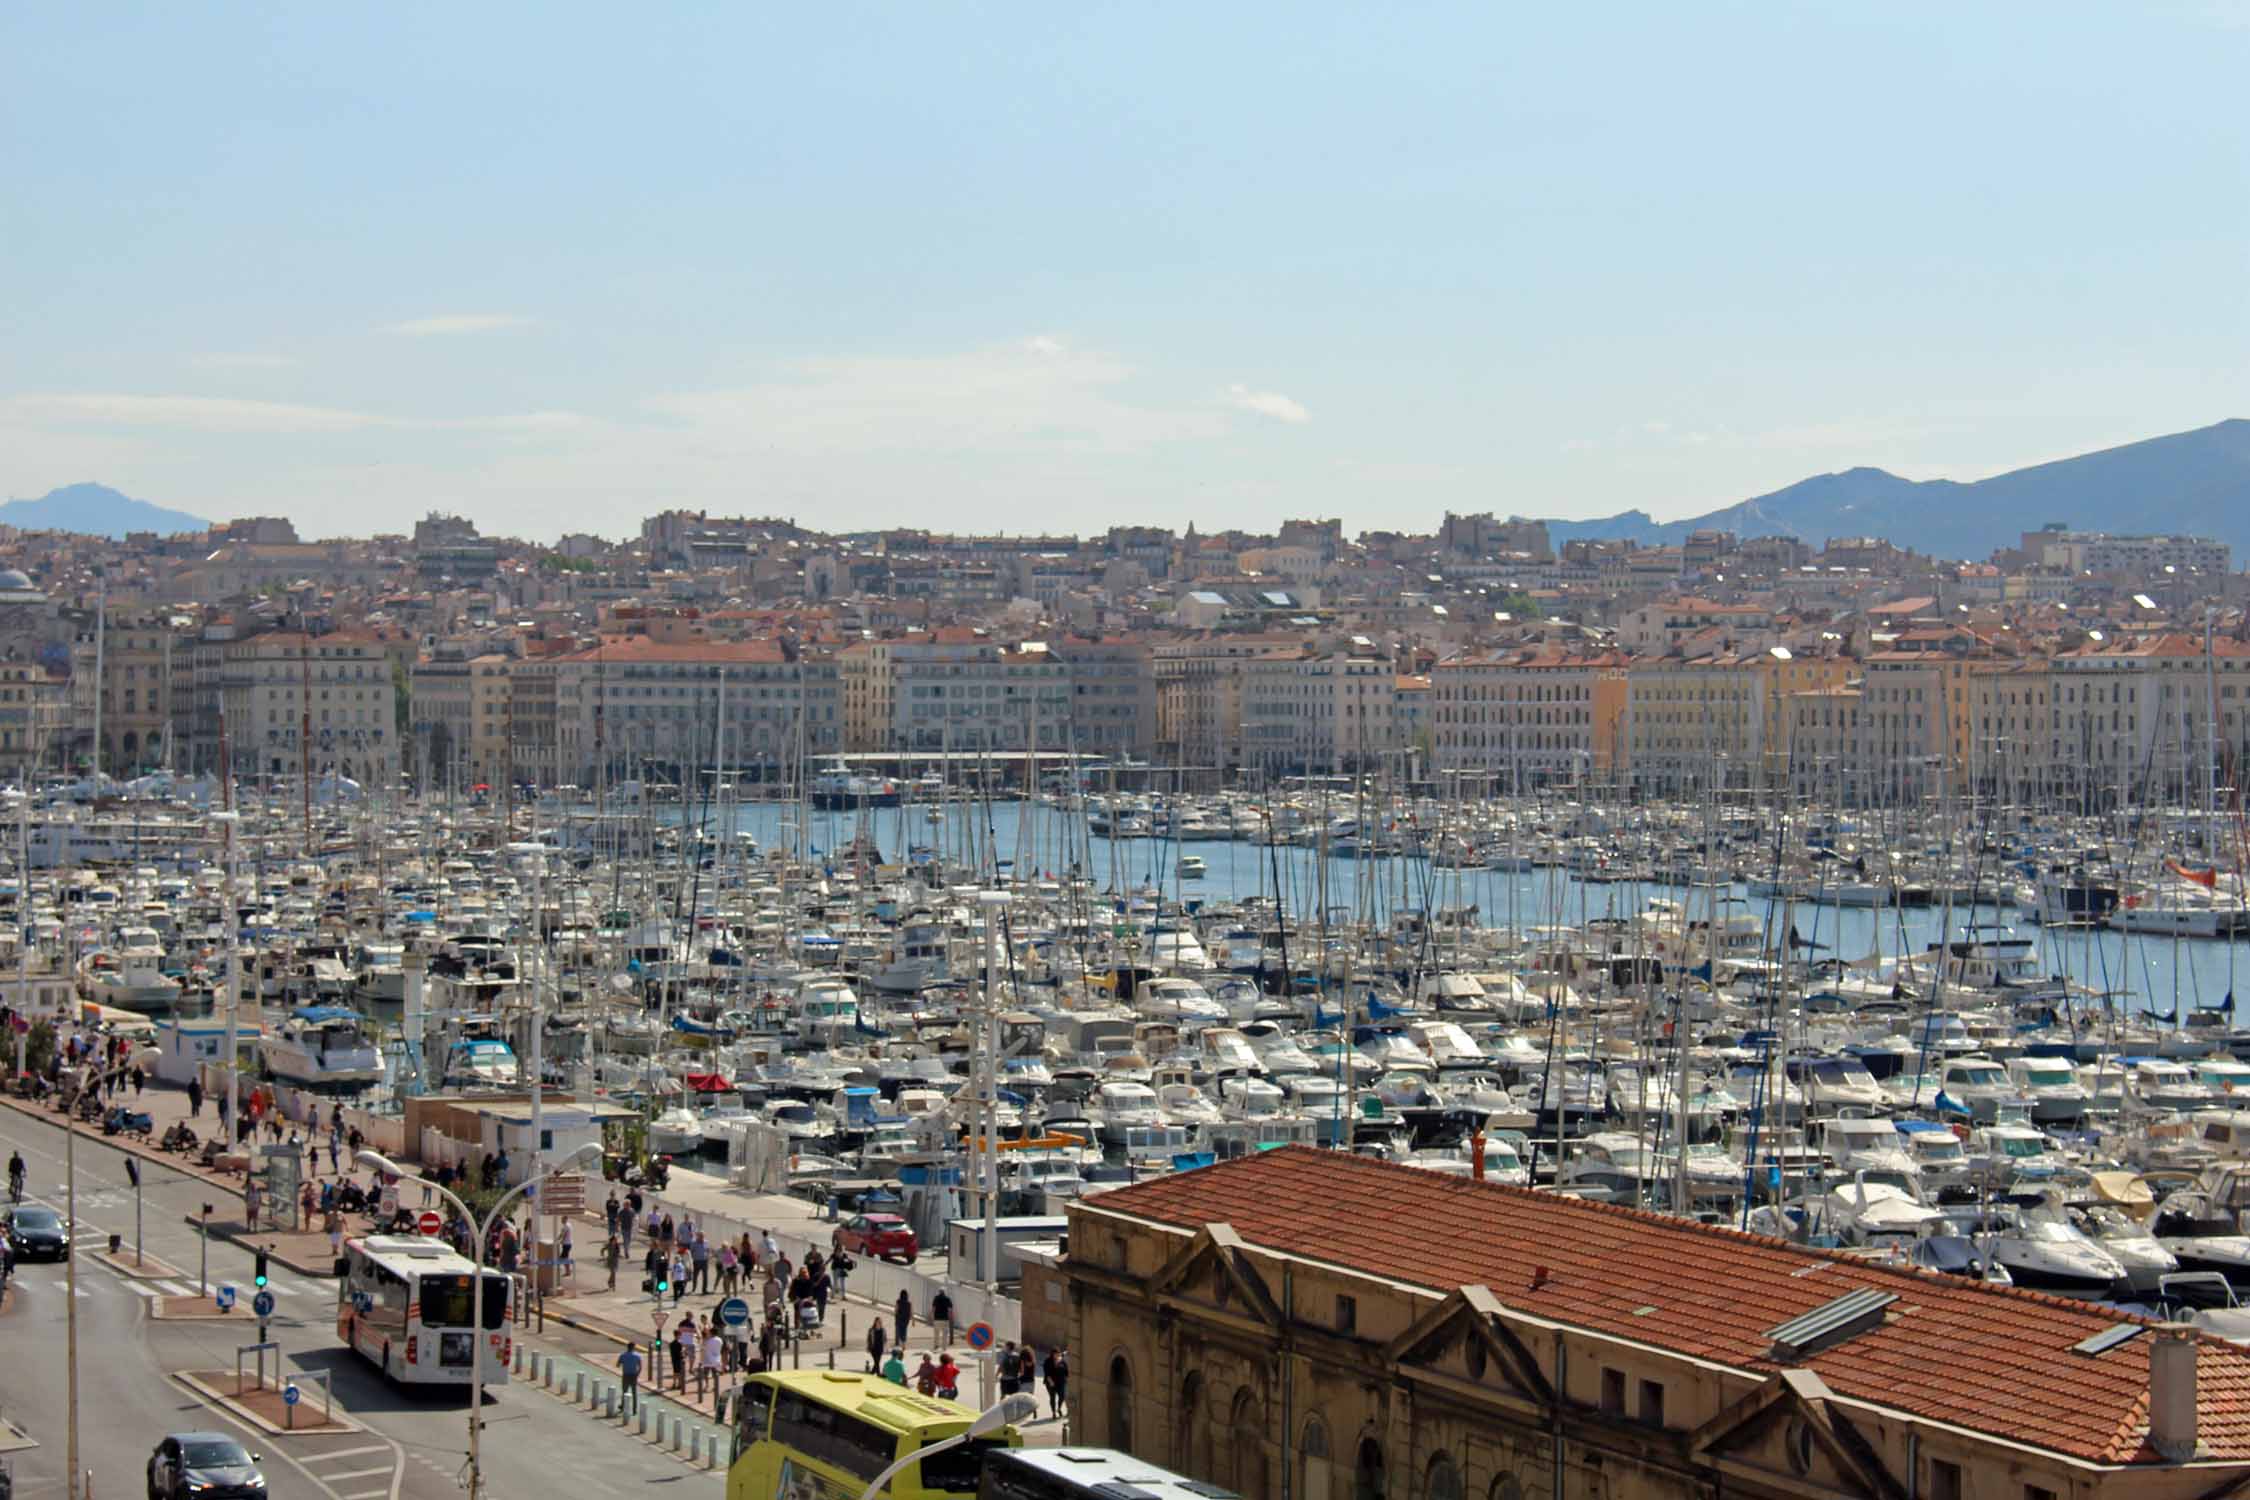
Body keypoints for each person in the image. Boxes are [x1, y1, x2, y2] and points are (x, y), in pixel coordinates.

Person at [700, 1320, 723, 1401]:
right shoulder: (720, 1340)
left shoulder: (708, 1341)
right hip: (716, 1359)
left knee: (706, 1373)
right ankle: (715, 1386)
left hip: (708, 1359)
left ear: (712, 1333)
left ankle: (706, 1386)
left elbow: (704, 1347)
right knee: (714, 1374)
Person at [616, 1342, 643, 1415]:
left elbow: (617, 1365)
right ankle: (634, 1410)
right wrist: (637, 1374)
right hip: (634, 1375)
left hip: (626, 1375)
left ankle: (623, 1406)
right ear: (633, 1347)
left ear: (627, 1347)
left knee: (624, 1391)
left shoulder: (623, 1355)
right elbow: (640, 1367)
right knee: (634, 1393)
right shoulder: (637, 1356)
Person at [1042, 1347, 1068, 1420]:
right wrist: (1051, 1382)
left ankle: (1059, 1408)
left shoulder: (1062, 1361)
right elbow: (1046, 1373)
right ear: (1052, 1354)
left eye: (1058, 1354)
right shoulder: (1048, 1361)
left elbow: (1066, 1372)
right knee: (1052, 1397)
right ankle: (1053, 1412)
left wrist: (1067, 1379)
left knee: (1062, 1396)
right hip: (1051, 1382)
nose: (1056, 1355)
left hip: (1061, 1382)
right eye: (1055, 1354)